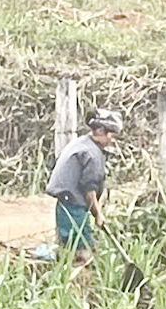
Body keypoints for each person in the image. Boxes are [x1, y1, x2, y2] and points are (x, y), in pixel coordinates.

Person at [47, 110, 121, 263]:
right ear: (100, 131)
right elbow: (89, 190)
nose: (112, 140)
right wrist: (98, 214)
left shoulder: (82, 142)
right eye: (111, 135)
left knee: (68, 245)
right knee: (81, 250)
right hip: (72, 204)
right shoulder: (91, 153)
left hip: (66, 202)